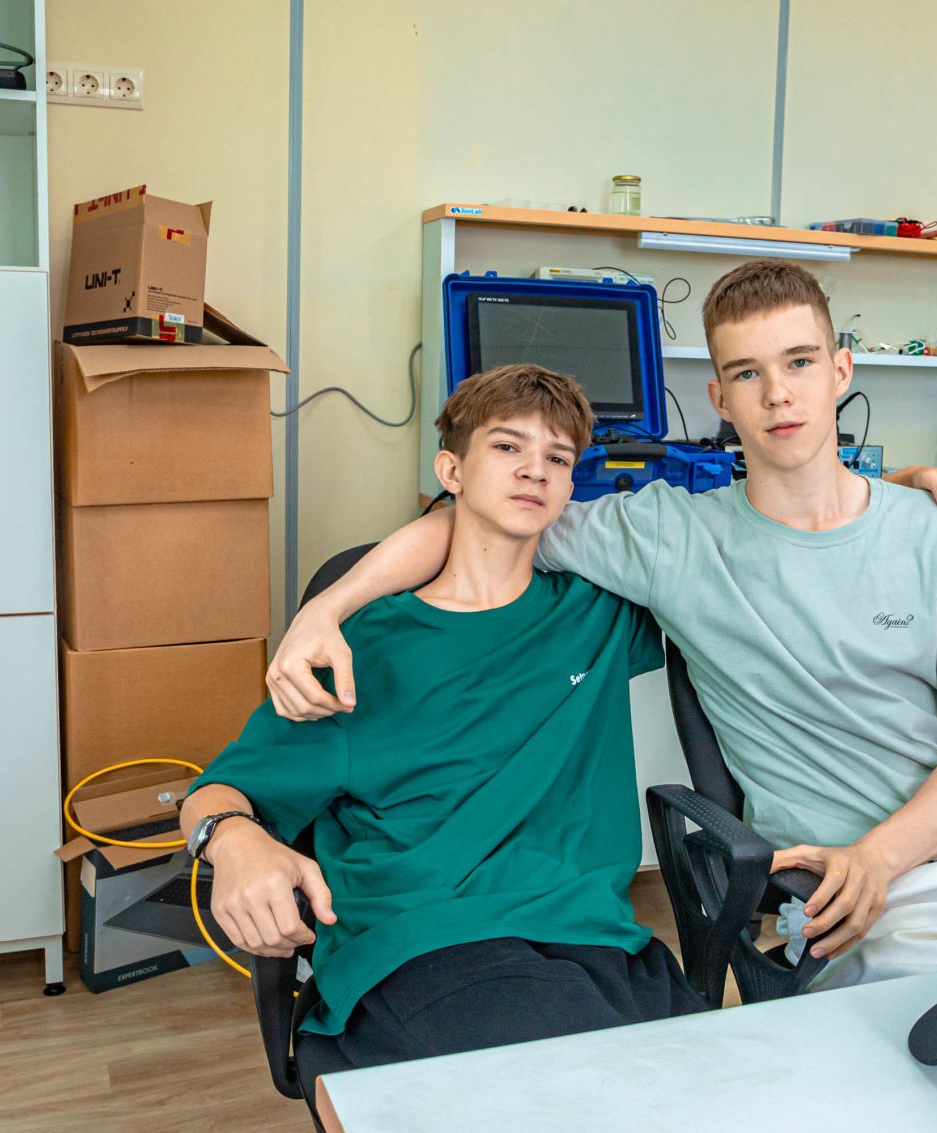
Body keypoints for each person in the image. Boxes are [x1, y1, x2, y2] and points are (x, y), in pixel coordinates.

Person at [267, 260, 937, 989]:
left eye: (800, 362)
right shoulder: (671, 535)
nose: (778, 394)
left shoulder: (936, 528)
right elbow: (477, 516)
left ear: (840, 370)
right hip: (867, 903)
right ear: (719, 398)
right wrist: (324, 609)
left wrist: (910, 485)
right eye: (747, 373)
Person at [180, 364, 707, 1101]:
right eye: (507, 447)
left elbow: (756, 531)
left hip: (598, 941)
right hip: (424, 940)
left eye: (558, 457)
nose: (535, 469)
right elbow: (216, 792)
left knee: (699, 1091)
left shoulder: (598, 612)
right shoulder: (362, 648)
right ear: (451, 470)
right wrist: (233, 841)